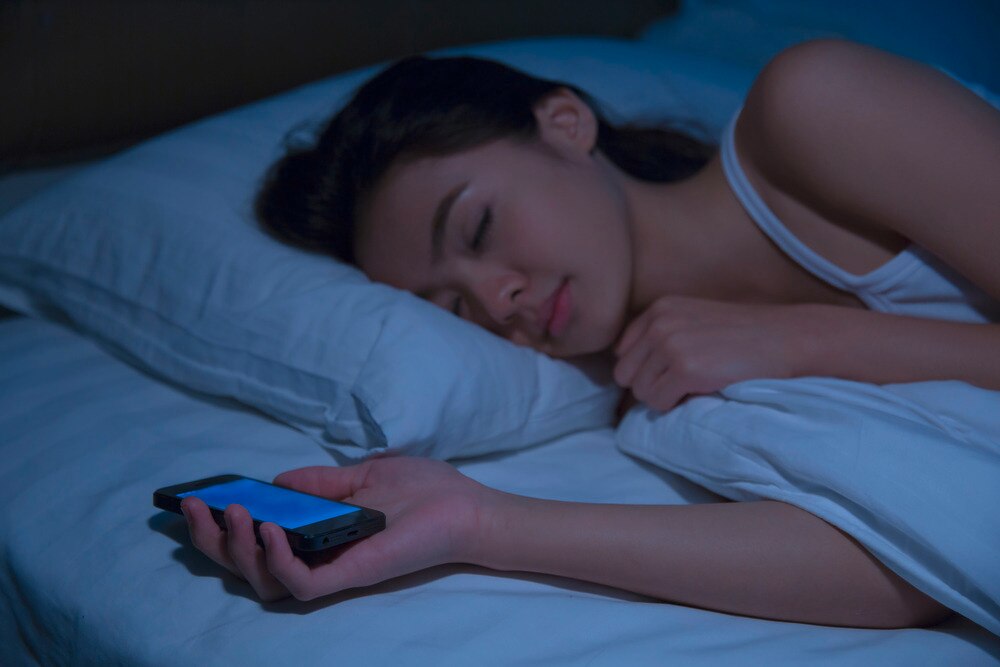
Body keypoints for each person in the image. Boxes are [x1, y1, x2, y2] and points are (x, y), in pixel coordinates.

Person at [180, 38, 999, 628]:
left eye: (477, 227)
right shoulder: (667, 388)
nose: (498, 300)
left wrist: (806, 341)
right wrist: (481, 521)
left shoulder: (815, 106)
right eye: (455, 307)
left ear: (566, 124)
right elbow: (914, 557)